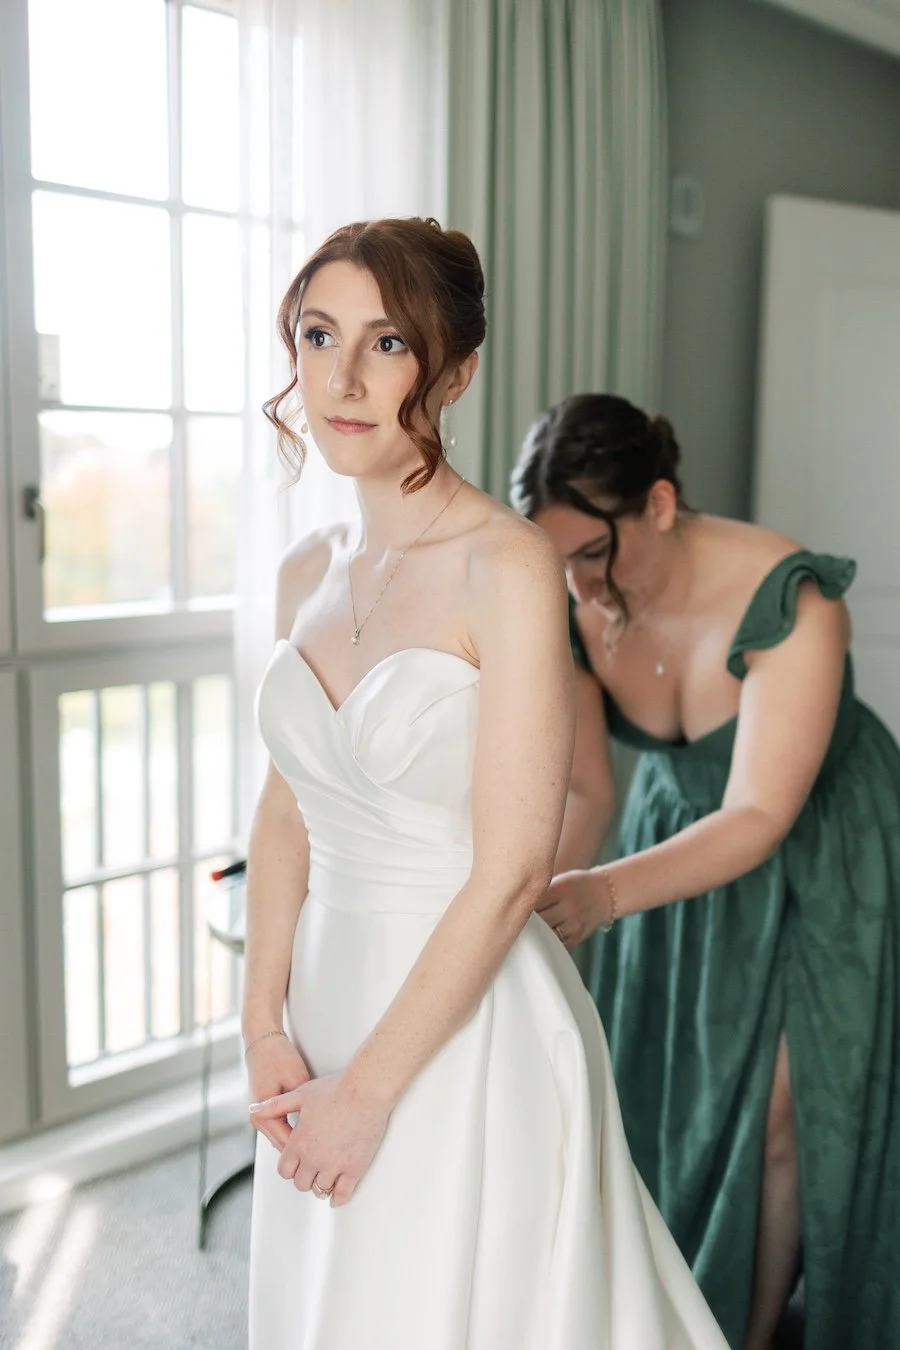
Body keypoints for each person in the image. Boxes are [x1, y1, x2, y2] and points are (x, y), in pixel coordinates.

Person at [241, 222, 729, 1350]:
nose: (341, 379)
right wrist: (263, 1026)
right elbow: (283, 814)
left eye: (388, 344)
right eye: (318, 336)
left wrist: (368, 1092)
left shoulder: (504, 564)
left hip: (458, 1020)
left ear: (454, 374)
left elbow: (512, 868)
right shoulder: (306, 571)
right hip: (322, 995)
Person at [511, 391, 900, 1350]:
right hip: (672, 844)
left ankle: (744, 1334)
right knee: (672, 1093)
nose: (579, 586)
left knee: (787, 1115)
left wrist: (603, 894)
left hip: (820, 850)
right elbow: (588, 792)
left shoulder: (790, 598)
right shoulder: (569, 597)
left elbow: (760, 812)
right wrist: (519, 908)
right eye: (557, 561)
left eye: (594, 554)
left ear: (659, 504)